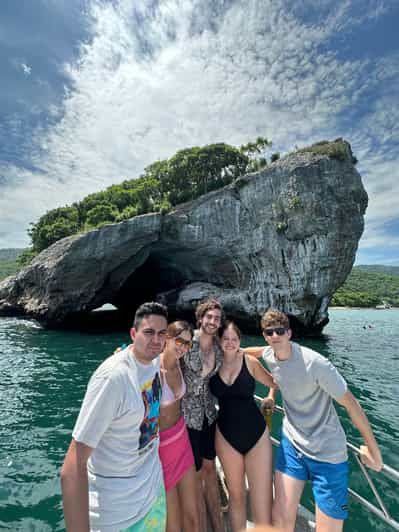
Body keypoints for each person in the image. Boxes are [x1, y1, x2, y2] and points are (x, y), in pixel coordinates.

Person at [245, 308, 383, 532]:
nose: (275, 336)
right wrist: (231, 349)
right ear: (265, 336)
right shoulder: (270, 354)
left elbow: (352, 405)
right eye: (269, 333)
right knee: (280, 519)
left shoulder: (316, 364)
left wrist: (374, 451)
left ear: (289, 333)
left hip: (327, 453)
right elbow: (251, 352)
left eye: (280, 331)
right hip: (292, 446)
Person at [61, 302, 168, 532]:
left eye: (162, 334)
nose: (156, 340)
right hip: (117, 516)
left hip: (152, 497)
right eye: (148, 332)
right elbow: (72, 466)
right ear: (133, 333)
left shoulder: (155, 361)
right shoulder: (114, 378)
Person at [209, 321, 276, 531]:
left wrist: (270, 397)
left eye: (234, 339)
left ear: (240, 341)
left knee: (261, 497)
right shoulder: (211, 364)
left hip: (256, 434)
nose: (230, 343)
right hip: (226, 436)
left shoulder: (250, 362)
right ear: (219, 341)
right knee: (237, 497)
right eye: (225, 339)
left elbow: (274, 382)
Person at [180, 298, 225, 532]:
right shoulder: (188, 341)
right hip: (187, 417)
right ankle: (198, 525)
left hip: (208, 414)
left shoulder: (218, 347)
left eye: (217, 318)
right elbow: (164, 356)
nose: (213, 321)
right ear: (201, 318)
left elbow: (239, 352)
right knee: (195, 473)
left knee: (210, 467)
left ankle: (217, 523)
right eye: (209, 317)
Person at [159, 321, 200, 532]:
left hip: (182, 442)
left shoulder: (180, 365)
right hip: (161, 450)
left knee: (192, 517)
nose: (183, 347)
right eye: (179, 340)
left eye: (188, 343)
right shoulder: (152, 368)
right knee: (172, 524)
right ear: (166, 337)